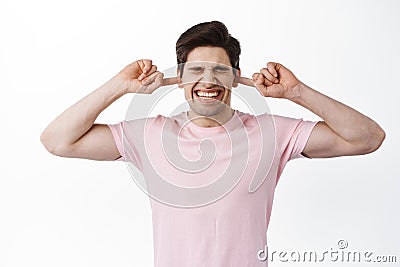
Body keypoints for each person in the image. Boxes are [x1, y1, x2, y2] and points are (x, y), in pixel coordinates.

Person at [40, 21, 385, 266]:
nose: (208, 80)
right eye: (197, 70)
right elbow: (57, 140)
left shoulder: (272, 132)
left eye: (219, 70)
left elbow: (368, 138)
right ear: (180, 78)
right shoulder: (149, 134)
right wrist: (118, 85)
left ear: (236, 76)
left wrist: (296, 92)